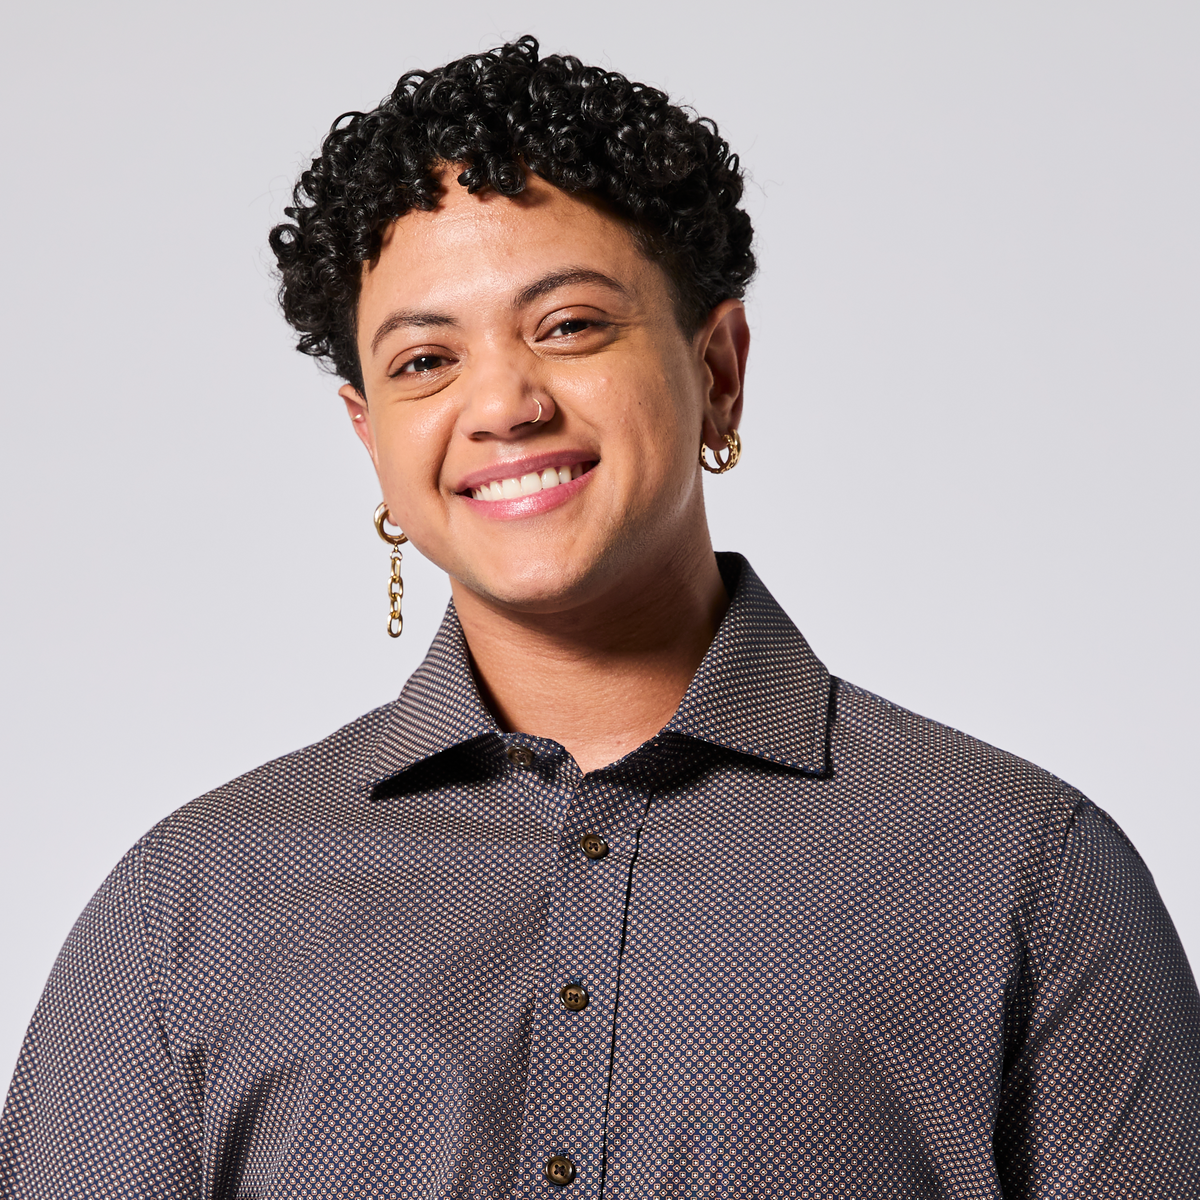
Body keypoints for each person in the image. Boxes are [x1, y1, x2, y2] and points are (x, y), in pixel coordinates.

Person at [1, 34, 1196, 1198]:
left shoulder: (1020, 873)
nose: (504, 404)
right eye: (423, 361)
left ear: (718, 367)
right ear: (371, 438)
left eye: (569, 326)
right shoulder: (191, 905)